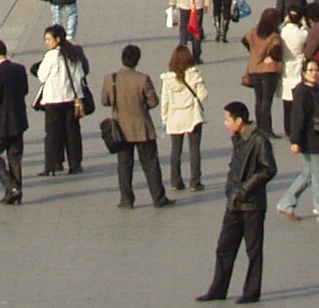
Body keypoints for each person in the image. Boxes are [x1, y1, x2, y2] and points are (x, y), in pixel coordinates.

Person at [196, 103, 273, 304]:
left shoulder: (259, 140)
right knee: (224, 248)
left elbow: (268, 169)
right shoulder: (237, 138)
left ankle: (251, 292)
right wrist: (231, 189)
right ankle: (218, 289)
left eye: (227, 119)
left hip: (252, 205)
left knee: (253, 251)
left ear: (239, 120)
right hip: (234, 203)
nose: (225, 124)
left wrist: (244, 189)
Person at [104, 43, 173, 209]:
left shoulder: (111, 79)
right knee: (150, 164)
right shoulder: (143, 79)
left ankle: (126, 199)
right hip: (142, 128)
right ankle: (158, 197)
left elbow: (105, 101)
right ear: (137, 60)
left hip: (120, 130)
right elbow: (153, 102)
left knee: (124, 165)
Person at [277, 55, 319, 223]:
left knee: (308, 174)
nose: (314, 73)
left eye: (316, 70)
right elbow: (297, 118)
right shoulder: (302, 92)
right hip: (308, 139)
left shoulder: (318, 90)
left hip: (318, 136)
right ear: (303, 73)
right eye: (310, 70)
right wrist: (295, 141)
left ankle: (286, 203)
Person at [34, 24, 87, 177]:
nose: (46, 42)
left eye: (48, 39)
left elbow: (41, 76)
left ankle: (52, 165)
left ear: (57, 39)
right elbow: (80, 74)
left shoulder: (51, 56)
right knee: (72, 132)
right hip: (71, 98)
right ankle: (75, 164)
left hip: (53, 100)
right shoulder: (74, 54)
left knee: (52, 134)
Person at [0, 39, 28, 203]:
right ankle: (15, 193)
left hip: (2, 122)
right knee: (14, 156)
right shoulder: (19, 69)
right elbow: (25, 90)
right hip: (18, 119)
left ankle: (12, 187)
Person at [162, 42, 209, 194]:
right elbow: (203, 95)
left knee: (175, 150)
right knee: (194, 150)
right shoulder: (194, 75)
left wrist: (164, 118)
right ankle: (195, 182)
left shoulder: (168, 79)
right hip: (193, 116)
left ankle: (175, 181)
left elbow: (165, 101)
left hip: (174, 116)